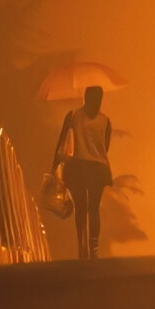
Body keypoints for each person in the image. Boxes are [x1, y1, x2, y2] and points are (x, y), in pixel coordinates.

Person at [52, 86, 112, 259]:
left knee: (80, 209)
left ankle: (82, 245)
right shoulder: (105, 121)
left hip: (78, 167)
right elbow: (105, 148)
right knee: (94, 209)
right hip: (98, 168)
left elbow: (61, 142)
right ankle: (94, 249)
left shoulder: (73, 116)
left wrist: (56, 163)